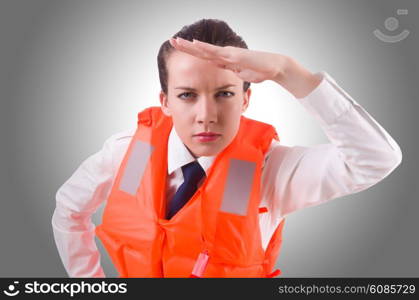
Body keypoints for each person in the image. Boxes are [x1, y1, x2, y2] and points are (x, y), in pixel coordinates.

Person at [51, 18, 402, 278]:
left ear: (246, 99)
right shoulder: (131, 154)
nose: (206, 116)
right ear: (165, 102)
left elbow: (376, 159)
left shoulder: (269, 171)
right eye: (187, 95)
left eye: (225, 94)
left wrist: (288, 71)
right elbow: (69, 208)